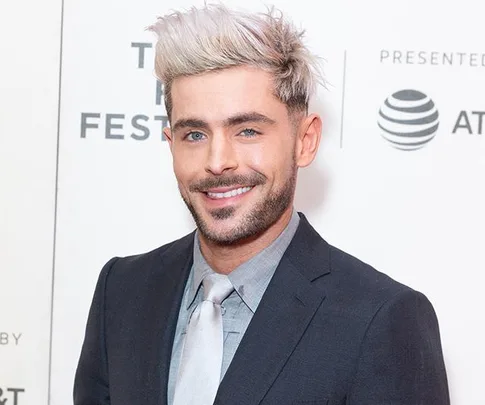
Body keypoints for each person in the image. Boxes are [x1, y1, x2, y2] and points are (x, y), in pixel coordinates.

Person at [74, 4, 450, 405]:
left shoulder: (381, 319)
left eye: (247, 130)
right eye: (195, 134)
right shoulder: (122, 290)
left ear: (305, 141)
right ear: (171, 144)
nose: (218, 161)